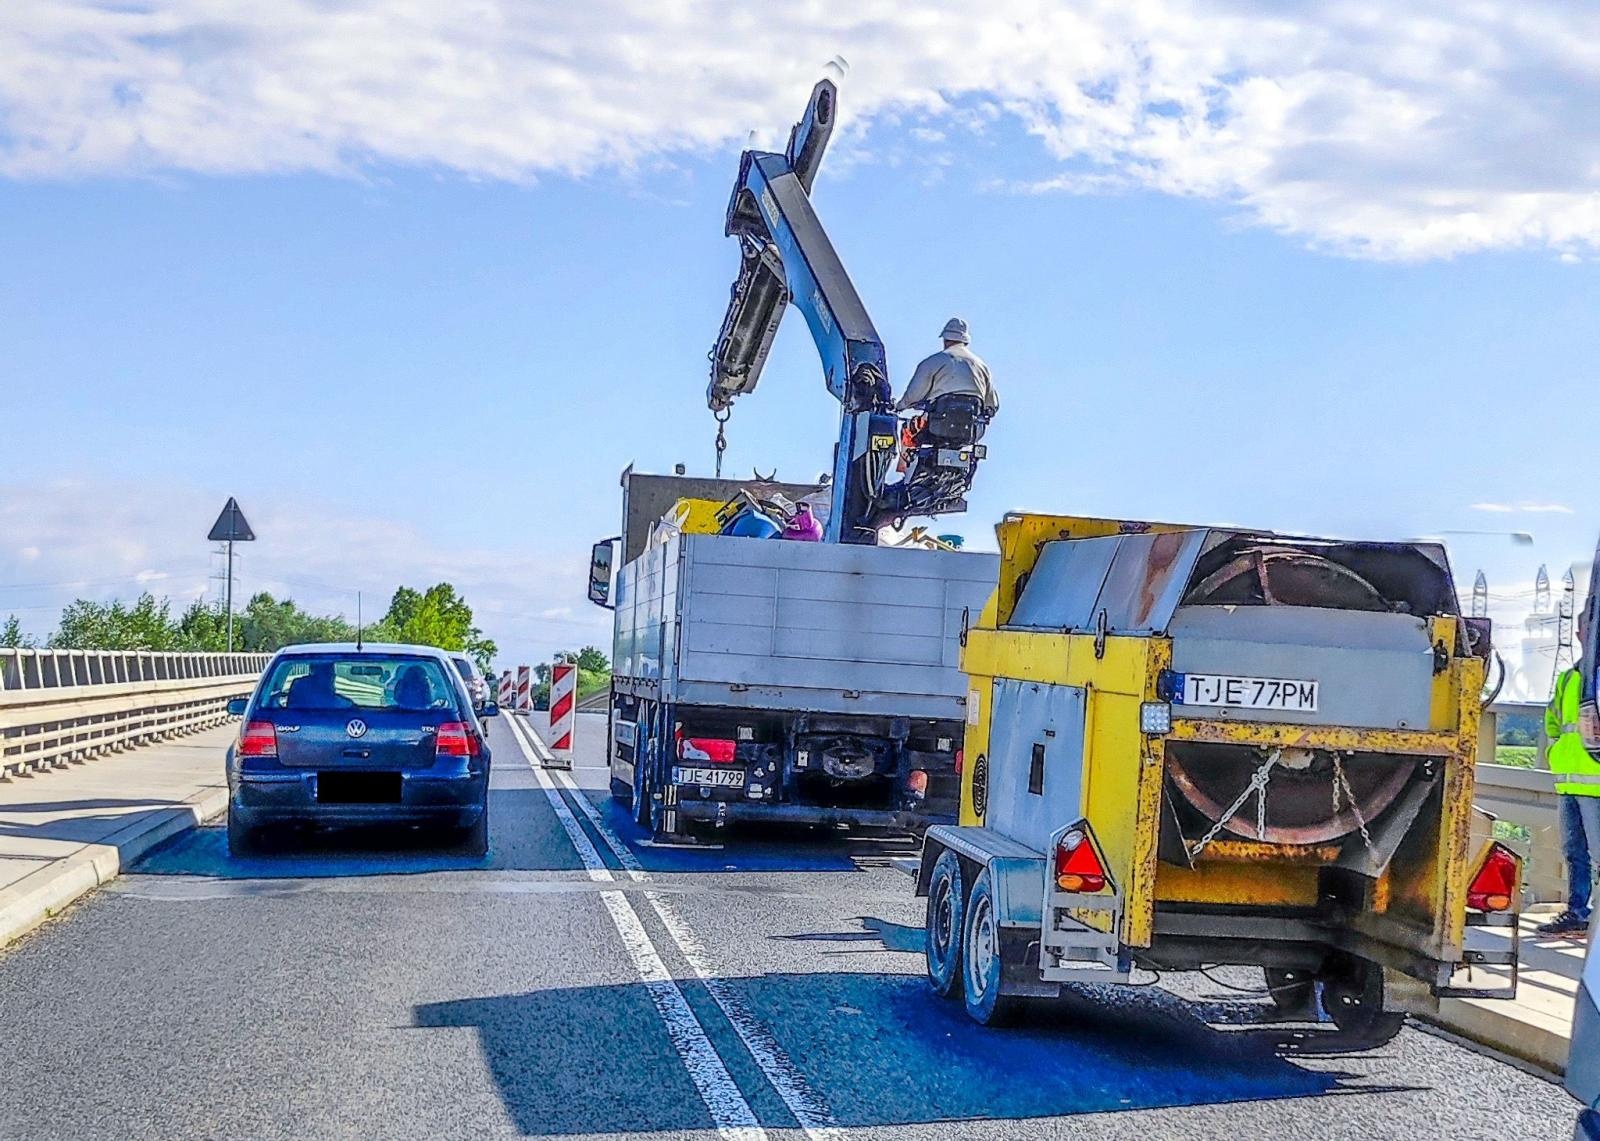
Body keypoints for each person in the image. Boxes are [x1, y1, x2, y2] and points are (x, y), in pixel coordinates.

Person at [1538, 608, 1600, 937]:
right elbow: (1553, 720)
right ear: (1579, 635)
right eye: (1585, 629)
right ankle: (1578, 913)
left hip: (1596, 785)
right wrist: (1555, 752)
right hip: (1569, 783)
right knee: (1574, 853)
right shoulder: (1568, 678)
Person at [895, 318, 1000, 418]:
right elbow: (992, 405)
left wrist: (899, 407)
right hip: (970, 427)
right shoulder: (982, 367)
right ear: (965, 342)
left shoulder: (933, 362)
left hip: (939, 423)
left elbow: (914, 395)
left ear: (945, 339)